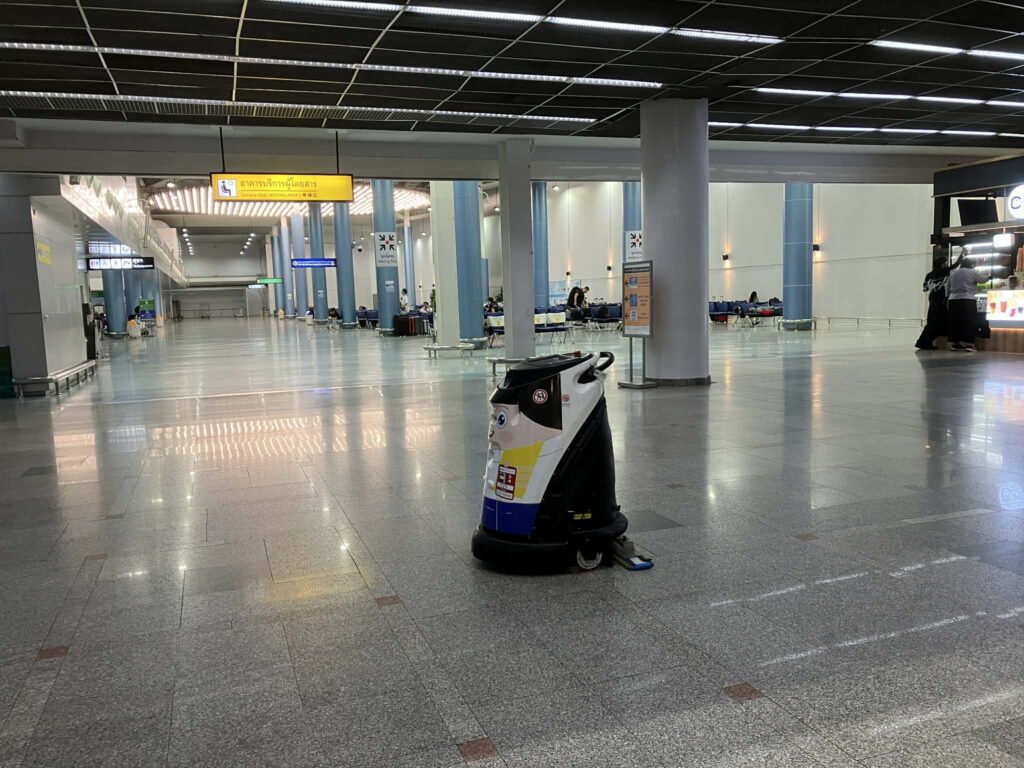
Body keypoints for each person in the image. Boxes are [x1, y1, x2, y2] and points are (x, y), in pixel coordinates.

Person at [946, 253, 983, 351]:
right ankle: (968, 344)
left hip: (953, 300)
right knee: (969, 321)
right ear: (971, 264)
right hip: (967, 299)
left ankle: (955, 344)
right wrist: (990, 277)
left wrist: (949, 296)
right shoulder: (972, 272)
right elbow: (982, 280)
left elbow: (947, 289)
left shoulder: (953, 273)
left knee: (955, 322)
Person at [915, 256, 952, 350]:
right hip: (941, 301)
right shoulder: (944, 272)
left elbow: (924, 289)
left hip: (932, 300)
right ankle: (924, 342)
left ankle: (922, 341)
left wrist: (933, 285)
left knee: (931, 322)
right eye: (946, 263)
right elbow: (955, 266)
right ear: (943, 264)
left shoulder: (929, 274)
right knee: (936, 323)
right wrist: (962, 254)